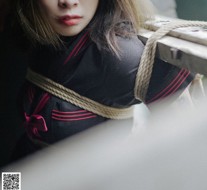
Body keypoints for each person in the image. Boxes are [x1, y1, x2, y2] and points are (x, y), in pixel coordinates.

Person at [10, 0, 195, 161]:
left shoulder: (122, 56)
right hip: (21, 168)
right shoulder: (42, 40)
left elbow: (190, 137)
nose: (69, 1)